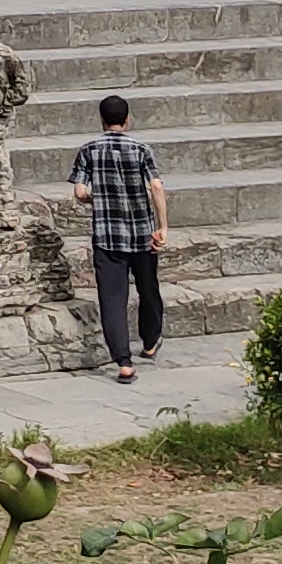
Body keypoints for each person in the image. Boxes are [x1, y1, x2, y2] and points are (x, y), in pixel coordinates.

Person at [67, 91, 167, 382]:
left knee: (112, 298)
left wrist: (95, 199)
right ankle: (149, 342)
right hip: (141, 234)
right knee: (148, 289)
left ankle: (123, 363)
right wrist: (163, 227)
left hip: (107, 236)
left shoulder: (88, 150)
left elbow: (80, 192)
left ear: (101, 119)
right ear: (127, 119)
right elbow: (157, 187)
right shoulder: (141, 149)